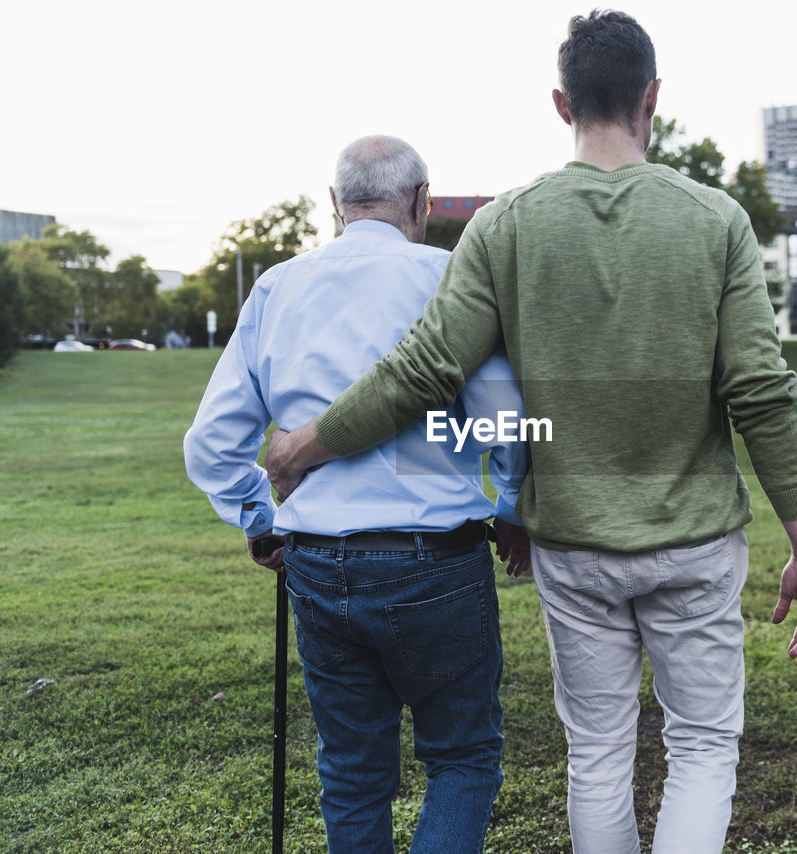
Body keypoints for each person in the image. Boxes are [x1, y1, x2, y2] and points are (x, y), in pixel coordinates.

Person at [265, 11, 797, 854]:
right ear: (653, 99)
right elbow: (761, 391)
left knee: (599, 754)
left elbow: (426, 370)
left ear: (561, 103)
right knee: (704, 747)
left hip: (574, 546)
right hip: (696, 541)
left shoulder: (505, 224)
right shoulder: (717, 220)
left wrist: (308, 445)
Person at [182, 135, 530, 854]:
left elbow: (211, 446)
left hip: (317, 559)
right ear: (423, 203)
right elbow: (508, 424)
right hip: (438, 559)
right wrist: (512, 506)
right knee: (463, 758)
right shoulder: (450, 277)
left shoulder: (278, 287)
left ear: (334, 204)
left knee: (350, 772)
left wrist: (259, 518)